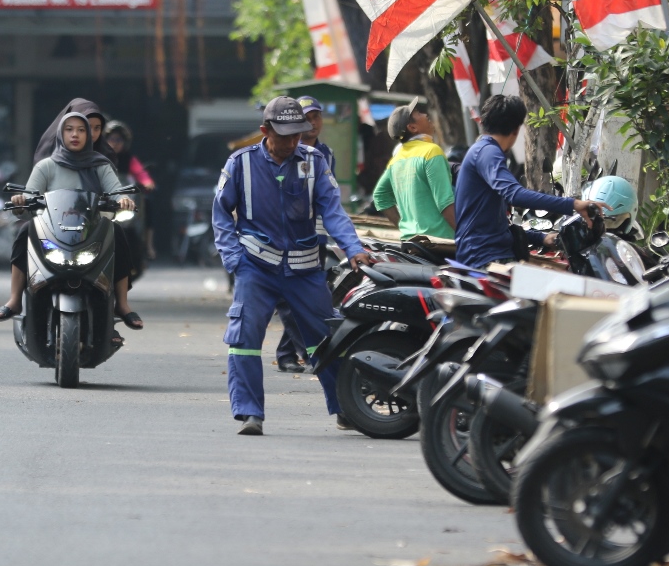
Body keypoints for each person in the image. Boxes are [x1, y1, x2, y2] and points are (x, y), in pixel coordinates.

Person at [213, 96, 367, 436]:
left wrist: (352, 248)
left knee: (325, 340)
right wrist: (233, 259)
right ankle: (250, 413)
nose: (292, 142)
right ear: (265, 130)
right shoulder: (240, 163)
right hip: (255, 266)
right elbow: (222, 214)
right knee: (244, 339)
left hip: (305, 269)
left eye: (298, 134)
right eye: (284, 136)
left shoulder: (314, 161)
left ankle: (345, 408)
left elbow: (333, 211)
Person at [0, 113, 141, 332]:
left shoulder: (101, 165)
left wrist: (123, 200)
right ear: (60, 134)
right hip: (52, 231)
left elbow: (116, 191)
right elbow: (30, 199)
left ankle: (122, 304)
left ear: (89, 135)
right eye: (69, 129)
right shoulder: (46, 166)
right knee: (25, 230)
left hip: (92, 231)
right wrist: (21, 202)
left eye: (82, 130)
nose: (75, 135)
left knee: (117, 231)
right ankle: (14, 299)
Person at [454, 95, 605, 269]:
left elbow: (495, 225)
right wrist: (573, 204)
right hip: (486, 260)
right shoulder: (488, 152)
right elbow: (515, 194)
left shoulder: (482, 151)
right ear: (516, 131)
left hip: (487, 254)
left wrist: (541, 238)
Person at [271, 95, 336, 374]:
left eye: (316, 117)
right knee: (286, 297)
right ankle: (306, 351)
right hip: (282, 235)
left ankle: (287, 351)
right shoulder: (278, 152)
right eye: (306, 118)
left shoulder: (325, 154)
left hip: (315, 235)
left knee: (305, 295)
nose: (312, 123)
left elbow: (329, 198)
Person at [372, 97, 456, 239]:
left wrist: (406, 227)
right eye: (418, 113)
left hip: (412, 243)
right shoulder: (431, 151)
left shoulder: (396, 160)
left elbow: (380, 196)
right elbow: (445, 203)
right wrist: (468, 238)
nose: (425, 115)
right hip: (441, 242)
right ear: (412, 128)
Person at [105, 121, 158, 262]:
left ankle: (148, 245)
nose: (114, 143)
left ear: (125, 142)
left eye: (118, 140)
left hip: (126, 199)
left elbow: (141, 174)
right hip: (105, 199)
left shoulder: (129, 159)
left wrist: (147, 183)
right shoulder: (100, 159)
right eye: (111, 139)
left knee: (148, 203)